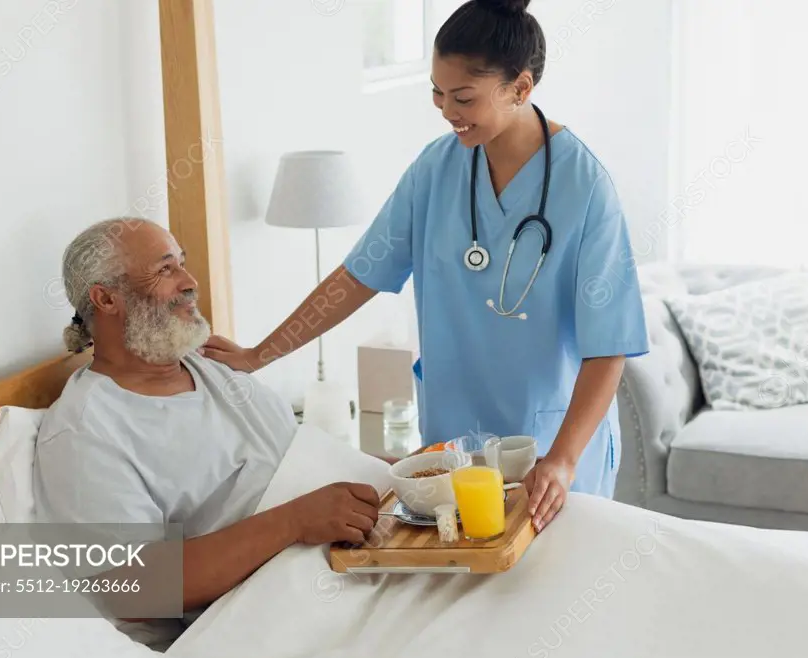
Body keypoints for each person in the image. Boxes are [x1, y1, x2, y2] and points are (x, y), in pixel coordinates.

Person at [201, 0, 649, 533]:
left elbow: (609, 348)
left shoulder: (585, 187)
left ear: (521, 88)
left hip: (550, 456)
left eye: (463, 97)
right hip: (452, 448)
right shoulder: (436, 170)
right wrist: (258, 355)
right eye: (437, 92)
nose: (446, 110)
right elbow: (354, 278)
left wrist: (565, 459)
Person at [32, 217, 382, 648]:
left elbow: (298, 456)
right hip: (279, 614)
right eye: (165, 270)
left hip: (362, 561)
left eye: (182, 263)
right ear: (106, 299)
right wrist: (295, 521)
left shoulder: (212, 366)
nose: (190, 282)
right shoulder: (85, 431)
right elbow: (131, 587)